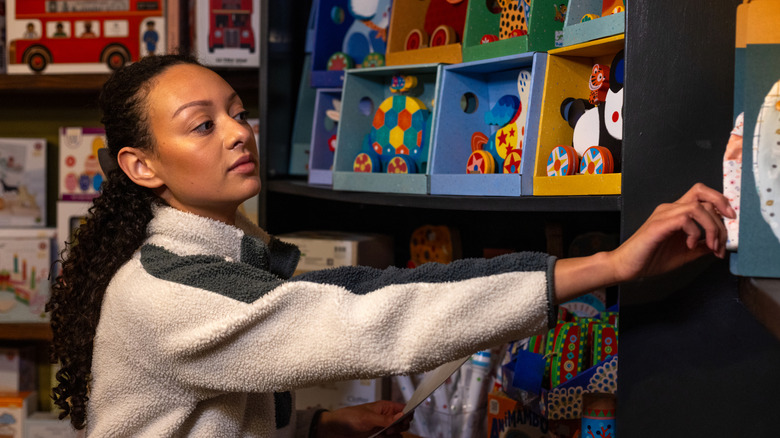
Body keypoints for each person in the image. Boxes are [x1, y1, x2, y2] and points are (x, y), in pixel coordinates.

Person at [47, 54, 735, 438]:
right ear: (143, 167)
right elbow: (363, 316)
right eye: (202, 125)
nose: (237, 132)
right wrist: (608, 265)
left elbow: (214, 410)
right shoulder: (171, 291)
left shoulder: (217, 256)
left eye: (237, 110)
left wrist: (317, 428)